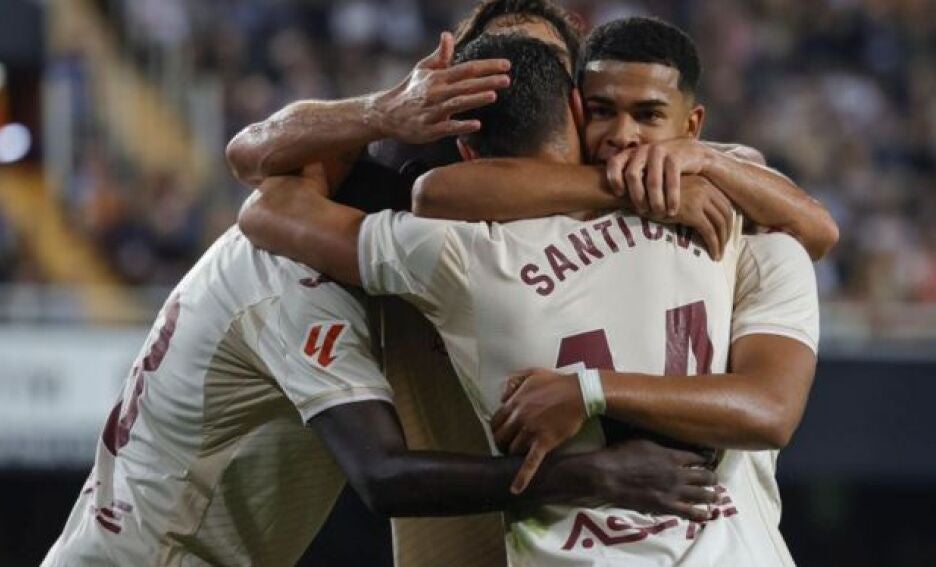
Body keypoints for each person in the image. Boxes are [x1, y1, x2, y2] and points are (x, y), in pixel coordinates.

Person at [42, 22, 717, 567]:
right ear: (465, 169)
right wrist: (596, 475)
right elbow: (383, 475)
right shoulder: (297, 276)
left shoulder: (379, 223)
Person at [236, 29, 819, 566]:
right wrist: (687, 173)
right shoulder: (740, 225)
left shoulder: (458, 253)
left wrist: (382, 115)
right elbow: (812, 239)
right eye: (603, 112)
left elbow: (270, 208)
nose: (623, 138)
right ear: (573, 107)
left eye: (645, 116)